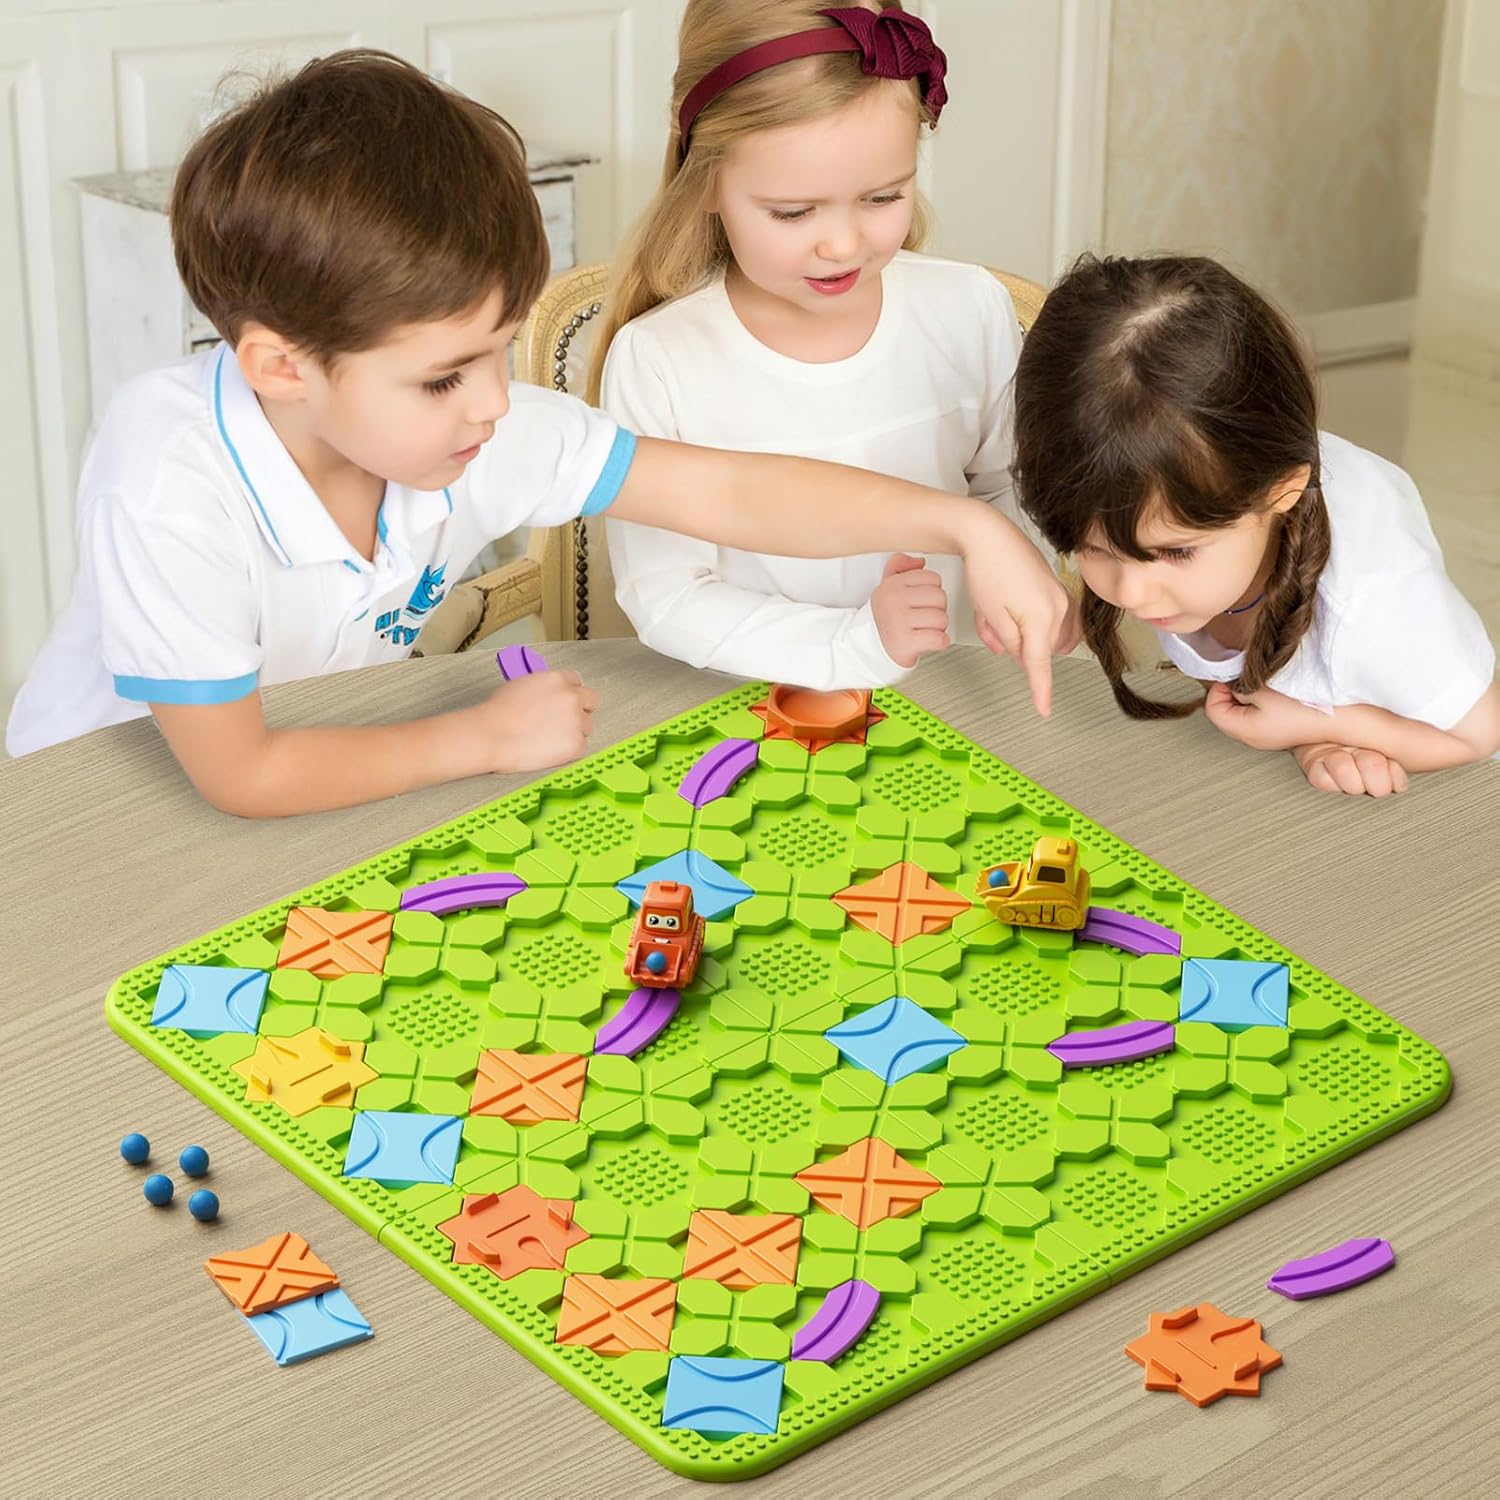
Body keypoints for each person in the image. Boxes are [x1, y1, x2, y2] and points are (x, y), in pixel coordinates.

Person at [5, 49, 1069, 815]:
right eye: (442, 376)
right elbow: (243, 772)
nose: (493, 402)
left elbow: (734, 493)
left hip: (323, 764)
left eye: (501, 348)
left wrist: (968, 527)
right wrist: (477, 738)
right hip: (99, 808)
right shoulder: (169, 476)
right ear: (284, 368)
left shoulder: (472, 427)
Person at [596, 0, 1062, 689]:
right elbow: (667, 596)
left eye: (883, 198)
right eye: (793, 212)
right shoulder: (660, 361)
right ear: (706, 181)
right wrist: (856, 643)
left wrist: (1031, 585)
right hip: (760, 707)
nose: (843, 245)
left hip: (963, 692)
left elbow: (1012, 488)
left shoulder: (968, 309)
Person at [1011, 252, 1498, 796]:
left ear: (1281, 491)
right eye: (1093, 548)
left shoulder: (1375, 605)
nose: (1131, 593)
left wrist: (1313, 727)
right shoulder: (1173, 514)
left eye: (1176, 552)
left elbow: (1480, 735)